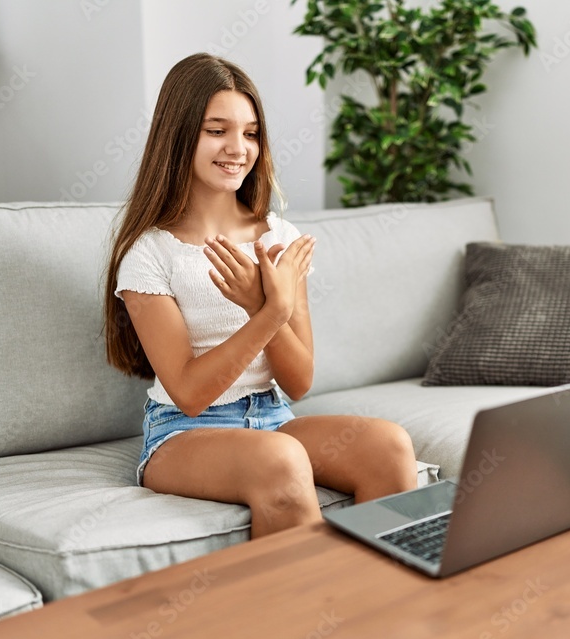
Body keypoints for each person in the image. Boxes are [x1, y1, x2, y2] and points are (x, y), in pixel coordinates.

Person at [103, 53, 418, 538]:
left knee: (389, 446)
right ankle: (308, 591)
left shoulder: (278, 238)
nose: (238, 148)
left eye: (251, 134)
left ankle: (376, 585)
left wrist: (263, 305)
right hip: (182, 432)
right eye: (217, 130)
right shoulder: (150, 253)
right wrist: (268, 312)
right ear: (178, 134)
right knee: (280, 457)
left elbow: (299, 382)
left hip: (272, 417)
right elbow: (189, 394)